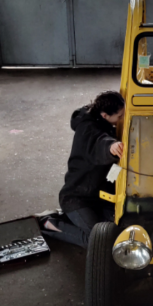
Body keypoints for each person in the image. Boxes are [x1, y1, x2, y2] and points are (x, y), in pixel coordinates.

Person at [39, 90, 125, 248]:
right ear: (105, 115)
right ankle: (49, 224)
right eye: (120, 116)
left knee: (115, 231)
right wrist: (111, 147)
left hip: (97, 196)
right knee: (98, 240)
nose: (123, 119)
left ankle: (71, 218)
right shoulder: (88, 130)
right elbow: (99, 142)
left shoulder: (100, 120)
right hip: (76, 197)